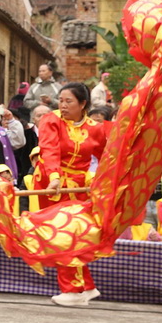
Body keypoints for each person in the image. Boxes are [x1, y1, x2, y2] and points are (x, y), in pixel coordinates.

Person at [33, 82, 108, 307]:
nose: (63, 106)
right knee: (61, 233)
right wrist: (54, 176)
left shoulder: (95, 127)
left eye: (69, 102)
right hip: (50, 183)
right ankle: (81, 287)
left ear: (83, 104)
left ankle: (77, 289)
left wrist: (107, 179)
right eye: (61, 101)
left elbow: (106, 155)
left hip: (78, 186)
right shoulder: (51, 120)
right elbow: (49, 148)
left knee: (71, 234)